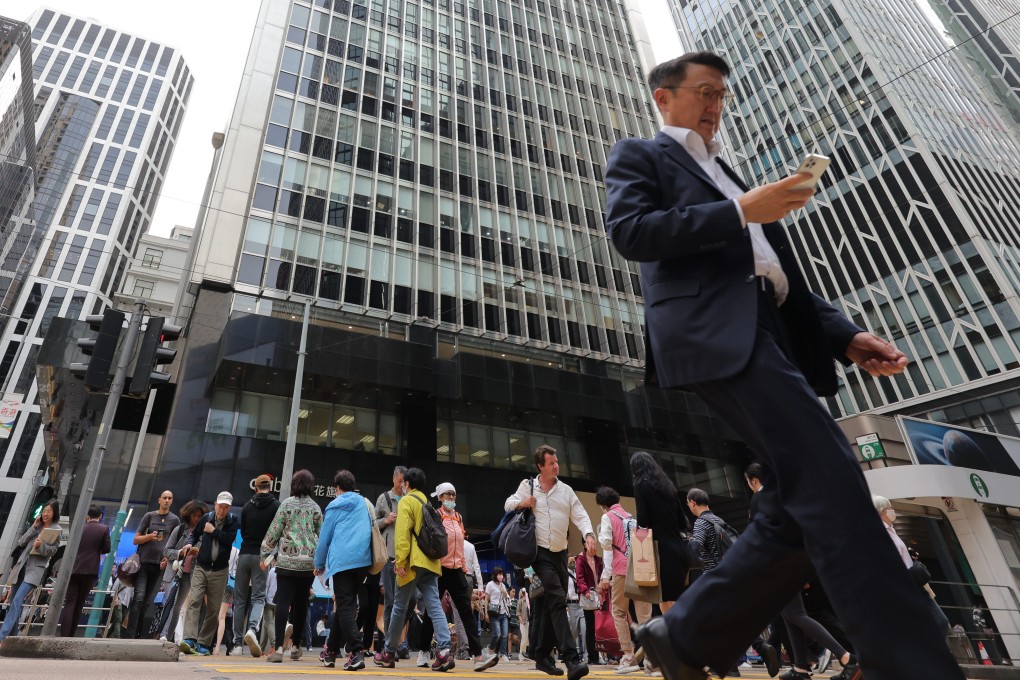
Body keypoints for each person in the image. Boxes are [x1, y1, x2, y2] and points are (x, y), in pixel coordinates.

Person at [609, 50, 963, 680]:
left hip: (768, 328)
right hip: (715, 332)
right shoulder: (641, 155)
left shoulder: (730, 172)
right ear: (664, 97)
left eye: (723, 95)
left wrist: (845, 334)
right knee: (832, 476)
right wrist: (743, 210)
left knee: (793, 506)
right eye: (705, 93)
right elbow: (632, 231)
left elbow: (774, 274)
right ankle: (911, 667)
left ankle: (685, 637)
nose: (717, 107)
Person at [505, 444, 595, 680]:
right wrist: (523, 503)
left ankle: (542, 655)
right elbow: (508, 503)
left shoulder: (566, 490)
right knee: (557, 600)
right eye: (552, 463)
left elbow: (581, 514)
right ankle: (572, 659)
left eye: (557, 462)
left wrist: (588, 534)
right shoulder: (528, 486)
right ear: (540, 466)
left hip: (560, 555)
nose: (557, 466)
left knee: (546, 606)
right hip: (539, 555)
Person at [372, 467, 455, 671]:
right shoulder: (427, 503)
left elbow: (401, 536)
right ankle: (444, 651)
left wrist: (400, 562)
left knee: (399, 607)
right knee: (434, 605)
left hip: (412, 563)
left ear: (407, 484)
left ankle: (389, 653)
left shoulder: (407, 501)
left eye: (403, 483)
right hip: (431, 563)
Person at [433, 482, 499, 671]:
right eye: (447, 495)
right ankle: (423, 649)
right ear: (439, 497)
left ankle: (478, 655)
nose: (451, 498)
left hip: (457, 571)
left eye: (453, 495)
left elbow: (460, 546)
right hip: (439, 569)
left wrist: (463, 568)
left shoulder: (459, 518)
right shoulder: (436, 516)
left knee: (466, 612)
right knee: (433, 611)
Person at [261, 469, 322, 663]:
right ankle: (296, 646)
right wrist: (321, 561)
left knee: (283, 602)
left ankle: (278, 648)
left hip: (286, 562)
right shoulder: (315, 507)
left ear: (294, 485)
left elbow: (274, 531)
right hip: (307, 564)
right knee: (302, 602)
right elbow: (321, 536)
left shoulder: (286, 505)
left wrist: (264, 554)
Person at [315, 469, 373, 671]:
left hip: (342, 562)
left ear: (337, 488)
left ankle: (357, 651)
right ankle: (330, 652)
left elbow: (325, 539)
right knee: (345, 605)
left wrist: (319, 563)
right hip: (363, 562)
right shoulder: (366, 503)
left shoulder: (334, 505)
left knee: (345, 607)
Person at [876, 497, 952, 639]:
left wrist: (910, 554)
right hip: (903, 586)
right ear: (882, 511)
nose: (892, 511)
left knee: (940, 622)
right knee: (931, 623)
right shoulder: (878, 532)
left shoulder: (891, 530)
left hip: (915, 584)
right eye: (889, 508)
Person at [595, 486, 651, 674]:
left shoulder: (607, 517)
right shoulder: (631, 518)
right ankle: (651, 658)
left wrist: (605, 575)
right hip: (640, 568)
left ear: (603, 504)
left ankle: (628, 655)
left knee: (618, 611)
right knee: (644, 614)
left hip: (621, 568)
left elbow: (607, 546)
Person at [178, 491, 240, 655]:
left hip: (220, 571)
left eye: (226, 507)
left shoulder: (233, 521)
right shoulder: (206, 518)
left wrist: (213, 531)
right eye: (220, 506)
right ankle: (189, 639)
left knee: (213, 609)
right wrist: (189, 545)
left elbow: (228, 540)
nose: (222, 510)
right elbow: (194, 535)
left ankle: (204, 643)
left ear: (229, 508)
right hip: (201, 567)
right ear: (215, 504)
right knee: (194, 600)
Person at [631, 453, 691, 613]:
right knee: (677, 599)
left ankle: (674, 635)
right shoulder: (668, 486)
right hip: (679, 550)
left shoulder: (640, 485)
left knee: (663, 599)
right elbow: (682, 521)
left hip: (660, 552)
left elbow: (642, 520)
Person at [0, 499, 62, 641]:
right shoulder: (36, 526)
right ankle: (13, 637)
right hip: (21, 567)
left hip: (34, 571)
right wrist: (33, 527)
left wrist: (41, 546)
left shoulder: (56, 529)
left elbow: (53, 551)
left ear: (54, 513)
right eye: (44, 511)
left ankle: (1, 636)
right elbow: (21, 542)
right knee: (13, 603)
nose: (46, 513)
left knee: (17, 601)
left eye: (49, 511)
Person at [234, 474, 280, 657]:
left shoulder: (246, 506)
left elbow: (243, 532)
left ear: (255, 488)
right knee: (258, 597)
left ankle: (237, 645)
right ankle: (252, 629)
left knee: (239, 599)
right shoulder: (276, 506)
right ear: (270, 487)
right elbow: (277, 531)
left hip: (245, 553)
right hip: (262, 556)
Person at [127, 490, 180, 638]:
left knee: (146, 602)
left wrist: (168, 558)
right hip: (143, 562)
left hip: (159, 566)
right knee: (138, 598)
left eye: (170, 498)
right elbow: (136, 539)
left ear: (172, 501)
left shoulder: (175, 520)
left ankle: (138, 634)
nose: (167, 500)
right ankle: (130, 635)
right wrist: (149, 536)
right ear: (159, 500)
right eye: (164, 498)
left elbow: (176, 543)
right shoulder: (149, 516)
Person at [158, 499, 208, 642]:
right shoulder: (179, 529)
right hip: (174, 572)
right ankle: (163, 633)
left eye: (200, 516)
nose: (197, 518)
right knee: (170, 603)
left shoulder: (204, 534)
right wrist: (181, 552)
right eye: (195, 515)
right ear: (188, 515)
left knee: (178, 607)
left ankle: (168, 635)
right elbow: (166, 551)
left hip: (189, 575)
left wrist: (198, 554)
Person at [59, 504, 111, 637]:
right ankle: (71, 634)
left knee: (70, 602)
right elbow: (107, 549)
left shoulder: (79, 528)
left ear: (87, 516)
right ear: (100, 516)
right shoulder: (104, 529)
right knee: (80, 603)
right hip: (90, 570)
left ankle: (64, 634)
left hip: (74, 569)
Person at [376, 465, 409, 658]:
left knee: (407, 602)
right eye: (399, 482)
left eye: (404, 482)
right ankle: (390, 645)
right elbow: (373, 525)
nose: (401, 486)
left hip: (405, 559)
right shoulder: (383, 499)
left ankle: (398, 642)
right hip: (389, 558)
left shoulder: (409, 499)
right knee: (390, 602)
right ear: (393, 479)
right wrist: (386, 521)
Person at [575, 535, 603, 666]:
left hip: (600, 596)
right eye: (590, 543)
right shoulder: (580, 560)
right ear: (585, 544)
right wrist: (585, 591)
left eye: (595, 544)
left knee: (601, 626)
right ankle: (593, 657)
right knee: (590, 627)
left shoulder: (598, 560)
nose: (593, 546)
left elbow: (602, 576)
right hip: (588, 598)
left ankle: (604, 654)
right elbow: (579, 578)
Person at [485, 566, 512, 659]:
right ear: (495, 575)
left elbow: (506, 598)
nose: (501, 576)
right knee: (497, 634)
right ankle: (490, 648)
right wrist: (486, 613)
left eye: (502, 574)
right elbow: (486, 599)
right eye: (499, 574)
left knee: (505, 635)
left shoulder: (503, 585)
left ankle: (503, 653)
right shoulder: (490, 584)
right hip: (494, 613)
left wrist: (504, 592)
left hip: (503, 613)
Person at [259, 565, 278, 654]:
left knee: (268, 623)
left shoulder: (272, 571)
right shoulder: (284, 571)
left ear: (274, 561)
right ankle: (261, 648)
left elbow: (267, 585)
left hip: (269, 601)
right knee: (267, 624)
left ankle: (274, 645)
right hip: (279, 602)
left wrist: (264, 598)